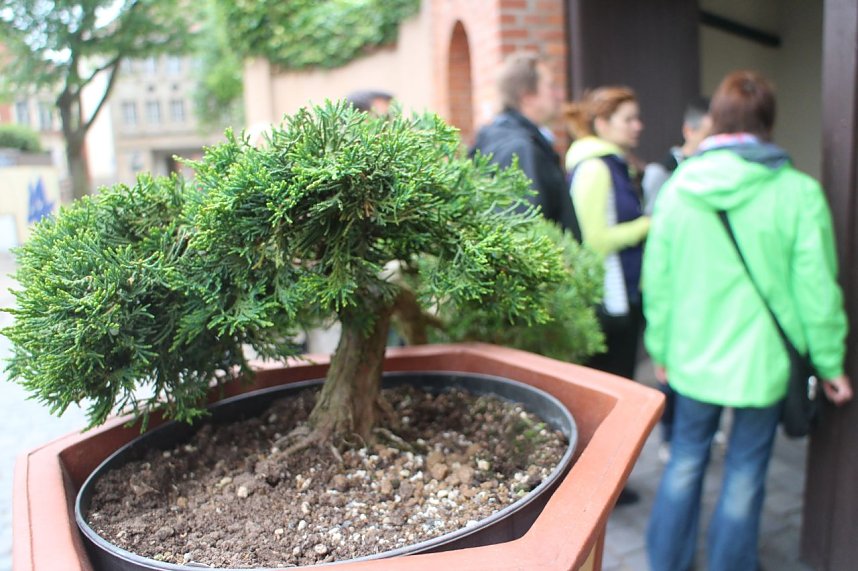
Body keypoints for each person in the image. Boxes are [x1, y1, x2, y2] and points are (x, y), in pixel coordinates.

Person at [643, 70, 853, 571]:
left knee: (686, 460)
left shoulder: (679, 189)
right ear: (769, 123)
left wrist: (661, 349)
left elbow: (659, 281)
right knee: (745, 470)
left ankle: (665, 561)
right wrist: (829, 364)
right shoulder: (798, 193)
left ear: (715, 120)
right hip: (763, 363)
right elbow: (817, 289)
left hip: (692, 356)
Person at [564, 86, 648, 506]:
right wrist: (649, 224)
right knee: (611, 399)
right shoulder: (596, 168)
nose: (639, 126)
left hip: (616, 297)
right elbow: (594, 240)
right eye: (629, 118)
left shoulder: (608, 164)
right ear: (602, 123)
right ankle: (600, 490)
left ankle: (604, 486)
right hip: (608, 299)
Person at [640, 97, 712, 461]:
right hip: (674, 277)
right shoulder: (662, 171)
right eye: (707, 133)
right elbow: (655, 231)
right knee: (669, 370)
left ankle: (699, 430)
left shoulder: (716, 172)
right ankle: (668, 436)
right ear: (690, 130)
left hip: (701, 282)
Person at [470, 53, 581, 240]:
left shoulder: (506, 138)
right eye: (551, 86)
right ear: (527, 96)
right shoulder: (519, 149)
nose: (560, 95)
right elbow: (524, 235)